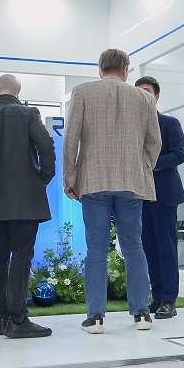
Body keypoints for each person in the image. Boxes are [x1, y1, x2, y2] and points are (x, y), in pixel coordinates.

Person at [63, 49, 161, 334]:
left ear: (100, 69)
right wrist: (143, 167)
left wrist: (70, 176)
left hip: (93, 180)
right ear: (126, 69)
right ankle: (141, 314)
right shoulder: (144, 98)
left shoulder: (82, 92)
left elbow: (71, 139)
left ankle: (95, 317)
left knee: (96, 248)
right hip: (131, 181)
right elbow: (155, 143)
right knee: (133, 245)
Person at [0, 74, 56, 339]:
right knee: (21, 255)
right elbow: (46, 146)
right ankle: (18, 320)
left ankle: (2, 319)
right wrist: (42, 179)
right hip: (25, 198)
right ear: (16, 94)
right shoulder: (29, 114)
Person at [134, 76, 184, 320]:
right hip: (140, 195)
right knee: (149, 248)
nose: (143, 96)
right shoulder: (132, 127)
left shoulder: (169, 123)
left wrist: (149, 164)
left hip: (164, 194)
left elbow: (178, 155)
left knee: (166, 248)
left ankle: (169, 300)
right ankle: (157, 296)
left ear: (156, 97)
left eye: (147, 91)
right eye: (138, 92)